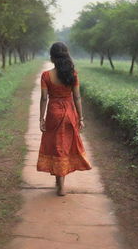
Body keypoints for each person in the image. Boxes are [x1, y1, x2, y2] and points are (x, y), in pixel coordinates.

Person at [36, 42, 92, 196]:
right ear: (66, 55)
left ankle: (59, 182)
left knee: (56, 146)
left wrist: (41, 118)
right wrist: (80, 118)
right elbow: (77, 97)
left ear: (52, 57)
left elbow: (43, 98)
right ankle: (61, 182)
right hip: (69, 114)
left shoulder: (46, 75)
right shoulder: (72, 75)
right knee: (65, 146)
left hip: (54, 114)